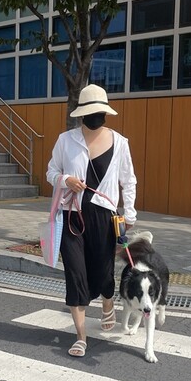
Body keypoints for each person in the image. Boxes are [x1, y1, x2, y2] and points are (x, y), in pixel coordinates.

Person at [46, 84, 138, 358]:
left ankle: (107, 301)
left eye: (98, 111)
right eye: (90, 111)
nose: (94, 116)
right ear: (81, 114)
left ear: (104, 112)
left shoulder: (120, 142)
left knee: (103, 271)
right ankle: (81, 337)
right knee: (76, 275)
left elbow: (128, 181)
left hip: (103, 216)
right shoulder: (66, 140)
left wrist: (129, 215)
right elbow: (51, 171)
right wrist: (65, 180)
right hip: (71, 216)